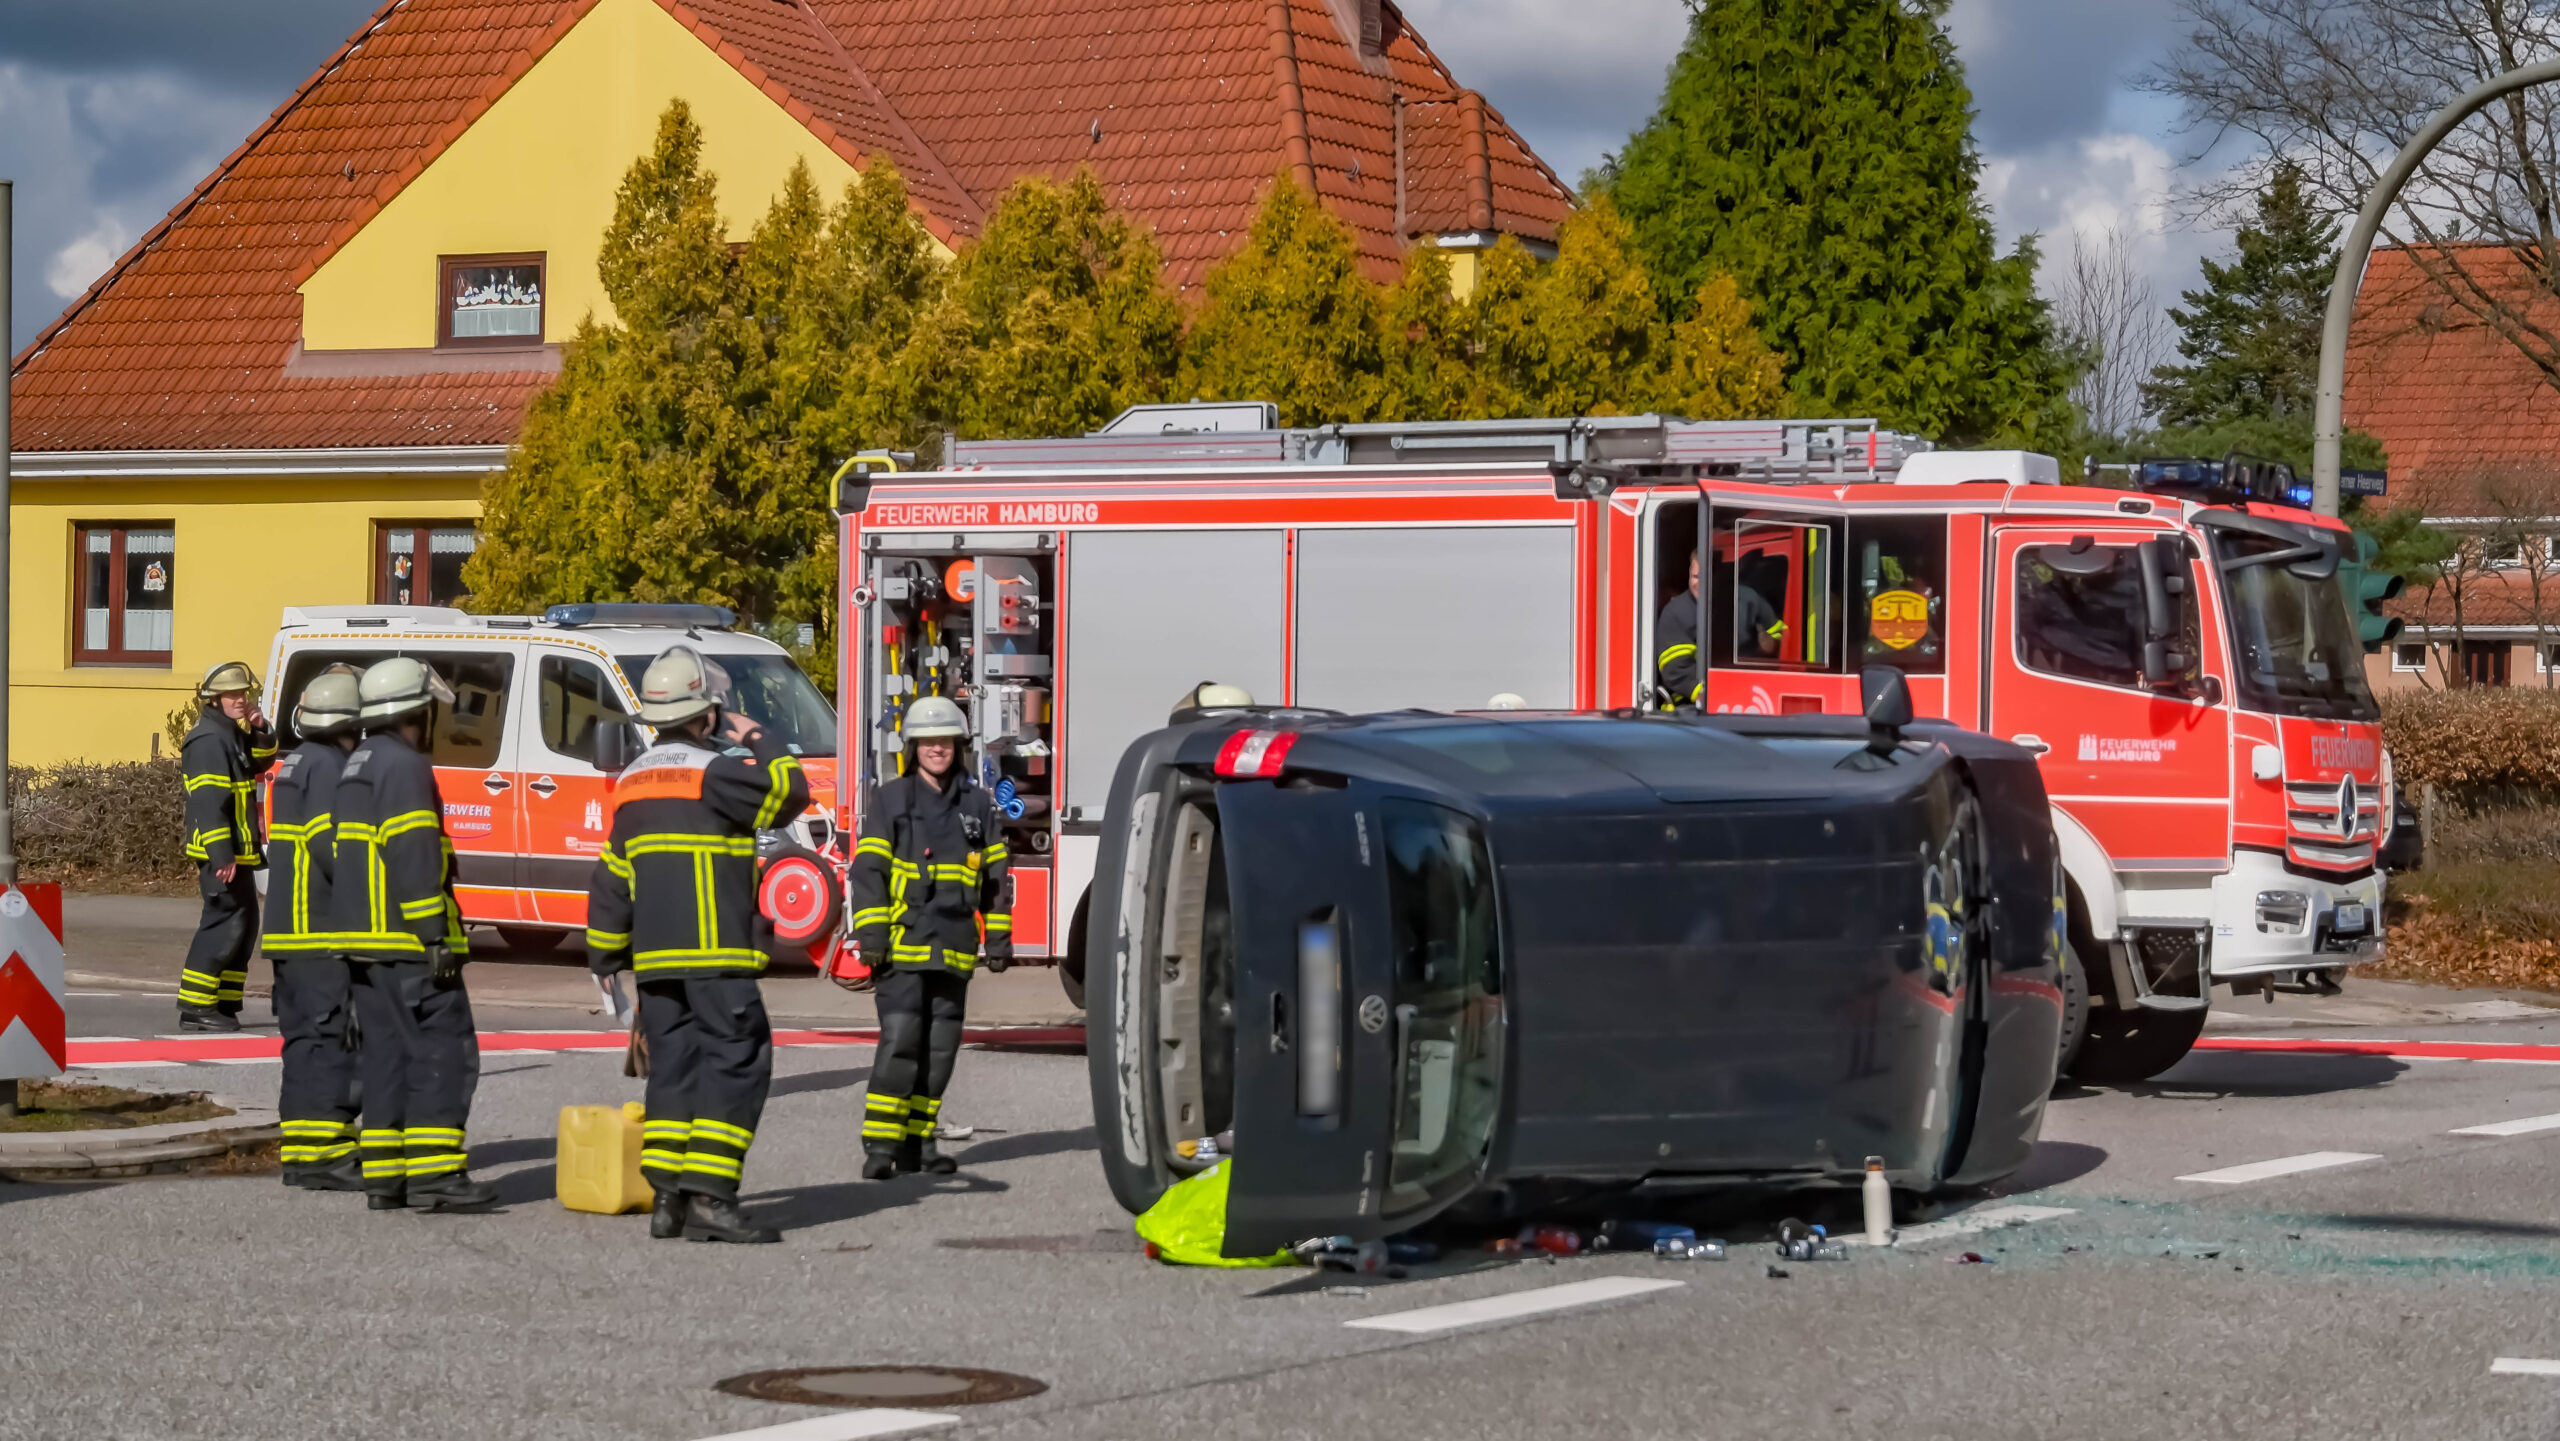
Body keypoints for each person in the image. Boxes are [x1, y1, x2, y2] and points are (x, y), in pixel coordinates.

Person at [585, 645, 807, 1244]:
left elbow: (613, 877)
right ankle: (711, 1195)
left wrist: (606, 958)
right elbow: (791, 791)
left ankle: (667, 1198)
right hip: (716, 957)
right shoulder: (716, 772)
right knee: (736, 1064)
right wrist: (757, 733)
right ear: (707, 714)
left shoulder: (630, 782)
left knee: (674, 1071)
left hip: (656, 963)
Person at [332, 658, 497, 1213]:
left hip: (365, 943)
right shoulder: (404, 766)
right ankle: (435, 1176)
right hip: (407, 944)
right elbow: (414, 853)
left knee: (385, 1059)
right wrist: (435, 937)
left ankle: (386, 1178)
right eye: (429, 709)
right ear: (414, 711)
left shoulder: (359, 762)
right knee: (443, 1055)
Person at [849, 695, 1011, 1181]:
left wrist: (998, 940)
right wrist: (872, 933)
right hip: (900, 948)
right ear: (912, 747)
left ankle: (918, 1144)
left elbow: (997, 878)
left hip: (954, 948)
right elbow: (869, 871)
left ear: (957, 746)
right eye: (927, 742)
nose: (936, 749)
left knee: (940, 1051)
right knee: (901, 1042)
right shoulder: (891, 799)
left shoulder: (978, 805)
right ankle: (881, 1146)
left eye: (945, 741)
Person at [262, 666, 365, 1191]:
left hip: (288, 932)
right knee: (330, 1044)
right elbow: (335, 848)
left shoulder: (295, 761)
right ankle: (328, 1157)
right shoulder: (329, 767)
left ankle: (302, 1154)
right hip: (318, 931)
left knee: (303, 1044)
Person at [177, 662, 278, 1032]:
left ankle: (222, 1002)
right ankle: (196, 1008)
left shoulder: (230, 734)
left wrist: (261, 728)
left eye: (243, 693)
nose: (241, 699)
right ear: (215, 699)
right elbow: (208, 802)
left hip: (238, 851)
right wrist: (221, 854)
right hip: (222, 855)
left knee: (244, 924)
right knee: (223, 925)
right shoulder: (208, 741)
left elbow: (259, 760)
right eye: (233, 694)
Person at [1653, 552, 1783, 707]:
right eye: (1695, 577)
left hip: (1754, 694)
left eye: (1706, 577)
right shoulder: (1675, 613)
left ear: (1719, 577)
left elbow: (1783, 635)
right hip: (1691, 706)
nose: (1699, 583)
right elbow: (1676, 670)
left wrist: (1771, 644)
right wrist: (1715, 694)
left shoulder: (1747, 599)